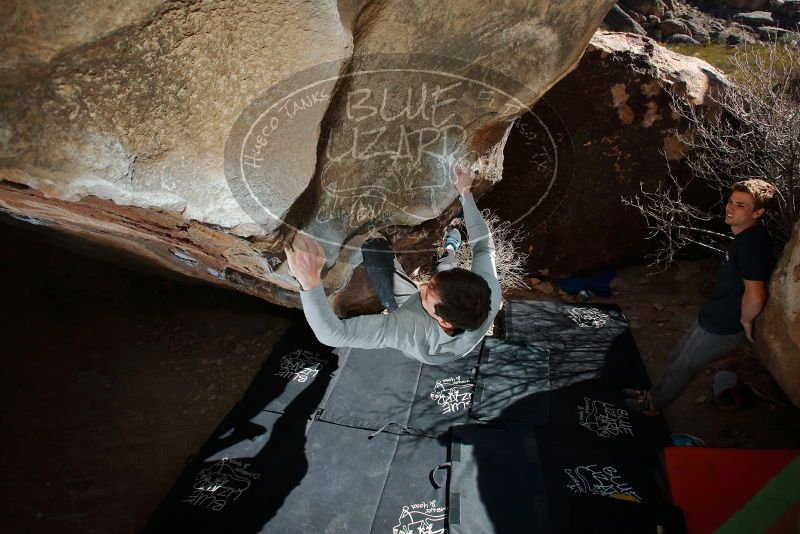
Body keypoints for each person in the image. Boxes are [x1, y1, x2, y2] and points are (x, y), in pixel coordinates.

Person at [283, 161, 502, 365]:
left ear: (443, 321)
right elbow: (484, 247)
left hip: (426, 341)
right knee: (445, 267)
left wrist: (309, 282)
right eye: (431, 283)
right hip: (448, 321)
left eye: (427, 293)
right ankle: (450, 249)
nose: (421, 286)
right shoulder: (488, 290)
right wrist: (465, 193)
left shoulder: (407, 330)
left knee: (388, 277)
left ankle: (391, 281)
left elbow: (333, 334)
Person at [625, 179, 778, 415]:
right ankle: (651, 393)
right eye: (731, 201)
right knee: (677, 358)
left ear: (758, 212)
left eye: (741, 205)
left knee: (684, 367)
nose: (730, 208)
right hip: (712, 314)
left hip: (724, 325)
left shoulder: (752, 246)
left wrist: (746, 321)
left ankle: (653, 405)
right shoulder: (744, 237)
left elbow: (755, 294)